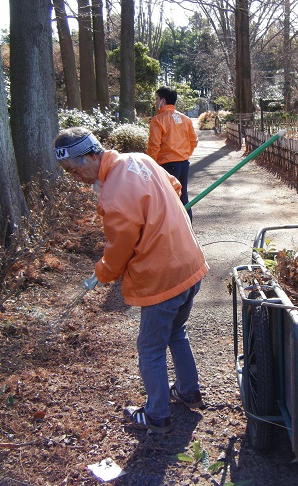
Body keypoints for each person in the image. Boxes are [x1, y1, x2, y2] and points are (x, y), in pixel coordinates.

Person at [54, 127, 209, 434]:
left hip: (161, 277)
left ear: (89, 158)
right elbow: (174, 185)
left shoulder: (113, 194)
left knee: (150, 347)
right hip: (189, 261)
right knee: (176, 331)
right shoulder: (139, 159)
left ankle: (156, 414)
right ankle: (189, 391)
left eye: (73, 171)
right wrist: (158, 214)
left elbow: (119, 249)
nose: (76, 179)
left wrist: (102, 272)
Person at [147, 86, 198, 220]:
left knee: (168, 199)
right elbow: (193, 141)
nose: (155, 102)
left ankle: (174, 233)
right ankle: (188, 228)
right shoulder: (185, 119)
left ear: (163, 101)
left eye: (157, 99)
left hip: (166, 164)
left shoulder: (158, 120)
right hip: (183, 163)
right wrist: (184, 154)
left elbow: (154, 146)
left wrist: (150, 164)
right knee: (183, 197)